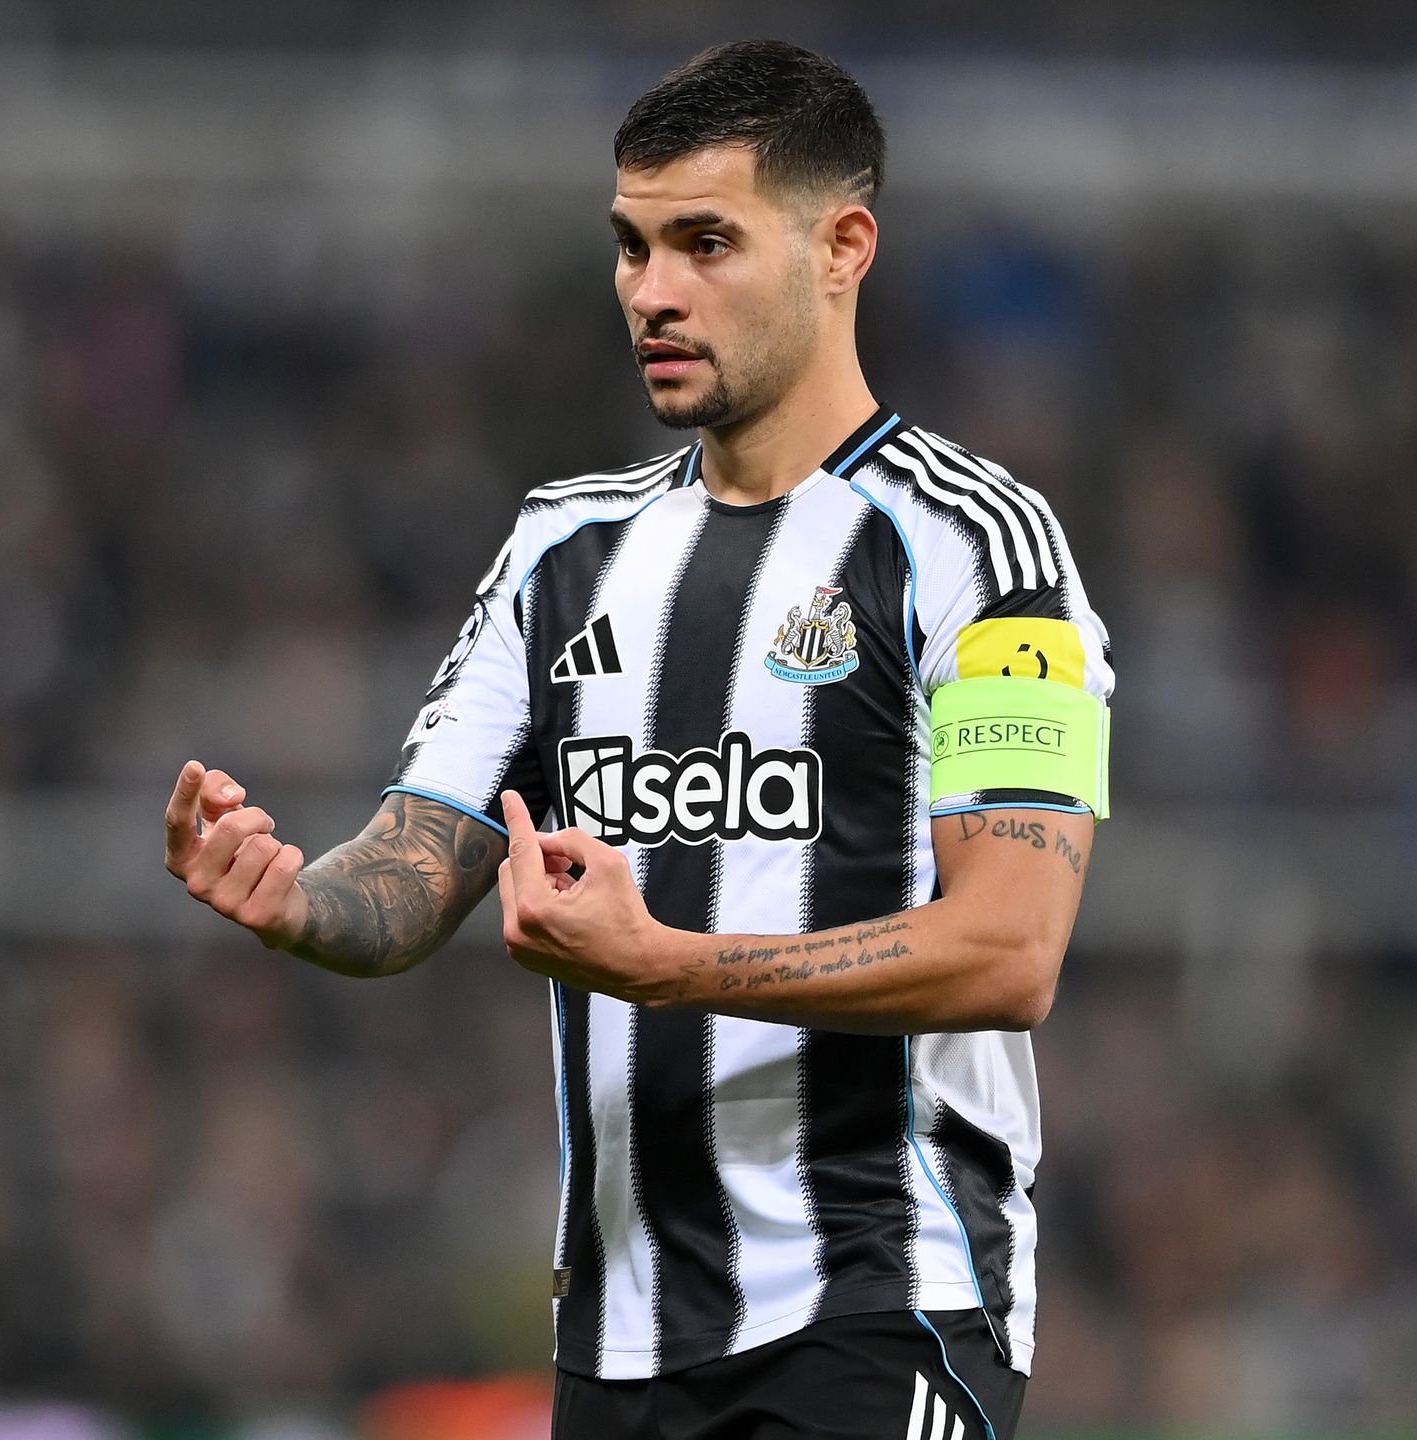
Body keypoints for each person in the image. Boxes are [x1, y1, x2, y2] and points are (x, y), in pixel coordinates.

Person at [163, 40, 1110, 1440]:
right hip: (615, 1342)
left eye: (705, 244)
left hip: (884, 1303)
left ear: (842, 248)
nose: (651, 291)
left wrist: (669, 964)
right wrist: (297, 899)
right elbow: (415, 866)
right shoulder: (565, 549)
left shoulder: (981, 548)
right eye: (632, 246)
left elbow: (1011, 949)